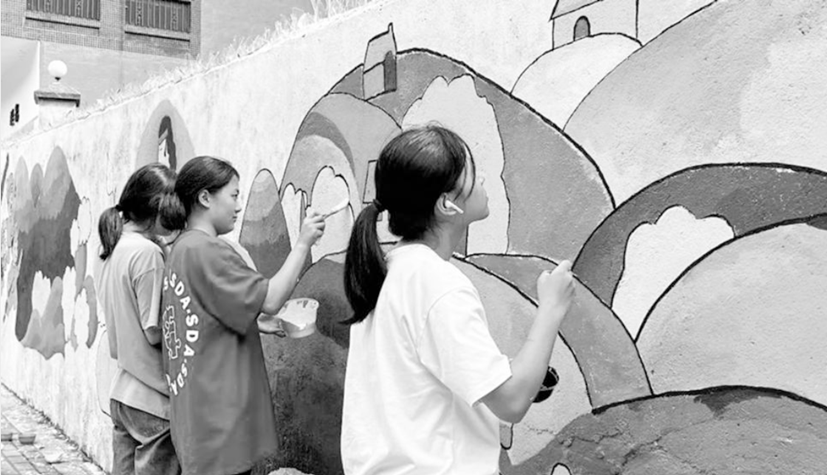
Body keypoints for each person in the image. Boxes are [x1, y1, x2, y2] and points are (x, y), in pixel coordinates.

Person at [340, 125, 576, 474]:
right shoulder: (438, 284)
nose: (483, 182)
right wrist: (552, 308)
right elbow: (512, 401)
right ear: (446, 205)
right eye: (473, 175)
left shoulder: (389, 270)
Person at [158, 156, 325, 475]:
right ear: (205, 197)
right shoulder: (209, 251)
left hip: (198, 420)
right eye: (234, 196)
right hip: (219, 424)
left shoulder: (183, 249)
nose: (238, 206)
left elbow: (204, 312)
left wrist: (257, 322)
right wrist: (303, 243)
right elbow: (272, 299)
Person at [95, 163, 181, 475]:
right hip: (153, 398)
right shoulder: (146, 254)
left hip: (123, 392)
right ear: (159, 207)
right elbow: (155, 331)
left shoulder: (110, 246)